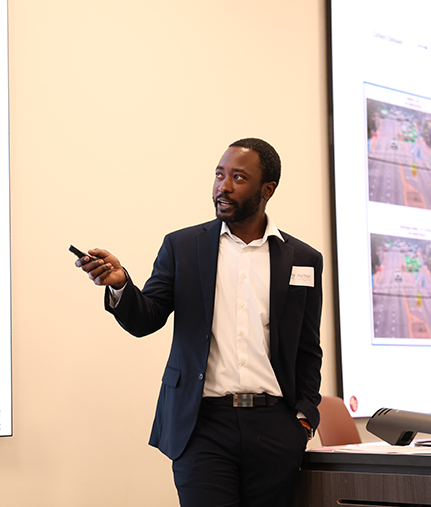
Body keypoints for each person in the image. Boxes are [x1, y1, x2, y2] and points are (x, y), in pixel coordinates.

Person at [75, 137, 323, 507]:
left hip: (275, 428)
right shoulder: (183, 247)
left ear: (267, 189)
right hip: (202, 425)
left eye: (238, 177)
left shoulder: (303, 258)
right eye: (219, 175)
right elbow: (148, 318)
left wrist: (303, 416)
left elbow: (307, 347)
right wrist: (122, 285)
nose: (223, 186)